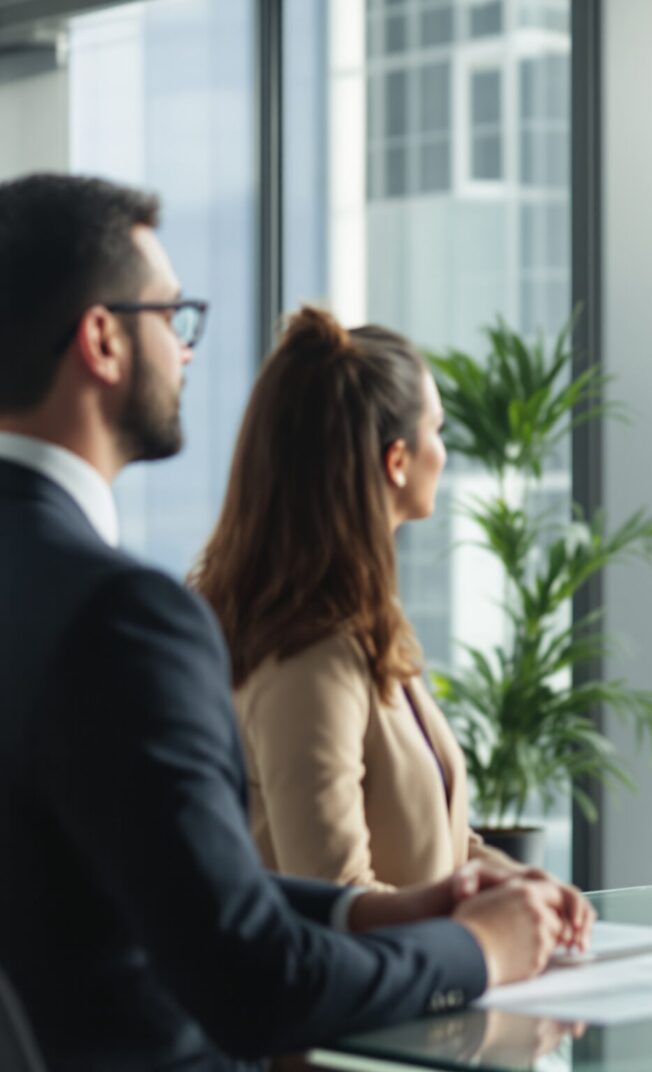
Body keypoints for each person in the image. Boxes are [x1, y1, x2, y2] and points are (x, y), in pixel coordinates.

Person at [0, 172, 568, 1070]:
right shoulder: (122, 617)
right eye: (171, 317)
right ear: (103, 339)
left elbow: (146, 894)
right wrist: (478, 951)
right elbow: (252, 978)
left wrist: (373, 911)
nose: (186, 351)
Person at [188, 307, 593, 933]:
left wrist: (516, 880)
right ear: (398, 460)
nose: (447, 450)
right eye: (439, 429)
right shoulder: (309, 659)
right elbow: (333, 899)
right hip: (357, 1023)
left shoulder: (362, 627)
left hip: (425, 1002)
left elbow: (433, 849)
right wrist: (487, 933)